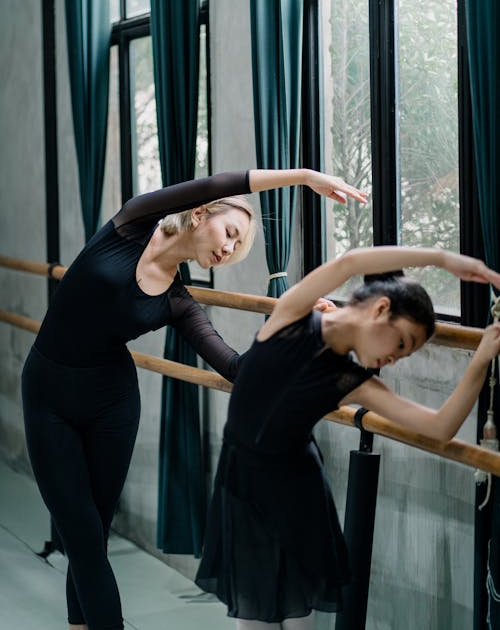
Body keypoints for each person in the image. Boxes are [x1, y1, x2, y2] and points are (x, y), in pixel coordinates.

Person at [21, 168, 366, 630]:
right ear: (201, 214)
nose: (228, 250)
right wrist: (303, 177)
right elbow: (218, 183)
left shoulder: (179, 302)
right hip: (48, 397)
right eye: (230, 234)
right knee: (81, 535)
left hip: (112, 406)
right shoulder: (132, 224)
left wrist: (305, 326)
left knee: (92, 533)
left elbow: (238, 368)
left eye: (236, 248)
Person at [195, 246, 500, 630]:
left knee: (295, 614)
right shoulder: (292, 314)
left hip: (295, 493)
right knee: (252, 614)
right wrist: (444, 260)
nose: (395, 359)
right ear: (380, 309)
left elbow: (440, 427)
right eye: (402, 344)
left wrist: (481, 359)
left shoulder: (353, 382)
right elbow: (349, 261)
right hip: (241, 483)